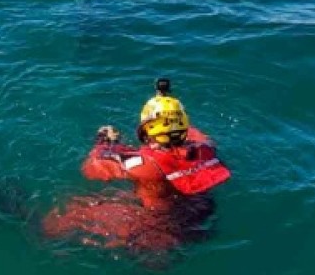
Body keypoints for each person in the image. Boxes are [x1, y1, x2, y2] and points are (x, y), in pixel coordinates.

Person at [43, 79, 231, 252]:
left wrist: (105, 141)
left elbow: (93, 168)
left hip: (160, 230)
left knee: (67, 213)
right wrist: (169, 111)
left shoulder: (145, 166)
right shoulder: (205, 148)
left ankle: (38, 234)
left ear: (147, 129)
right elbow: (190, 134)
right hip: (200, 218)